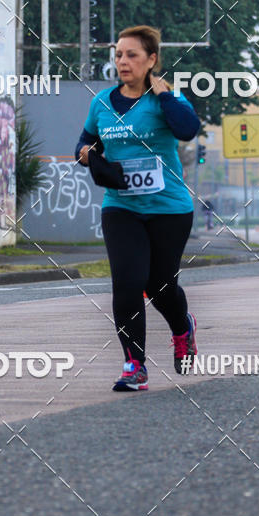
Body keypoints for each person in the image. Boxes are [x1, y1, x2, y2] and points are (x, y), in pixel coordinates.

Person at [75, 25, 200, 392]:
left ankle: (182, 328)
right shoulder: (100, 103)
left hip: (169, 208)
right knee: (128, 283)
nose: (123, 62)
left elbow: (187, 130)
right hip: (121, 206)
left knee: (160, 286)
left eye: (131, 55)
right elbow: (87, 139)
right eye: (118, 55)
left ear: (151, 60)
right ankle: (135, 364)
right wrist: (84, 153)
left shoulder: (167, 99)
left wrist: (166, 98)